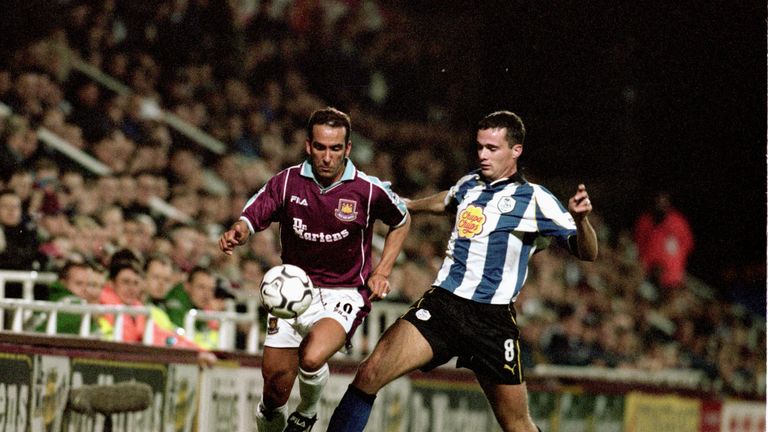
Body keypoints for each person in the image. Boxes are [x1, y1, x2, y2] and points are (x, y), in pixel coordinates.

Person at [326, 110, 598, 432]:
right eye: (480, 146)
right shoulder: (471, 183)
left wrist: (581, 221)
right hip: (444, 305)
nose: (482, 155)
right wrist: (411, 205)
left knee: (516, 424)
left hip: (492, 321)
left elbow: (588, 252)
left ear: (516, 150)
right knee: (370, 373)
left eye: (492, 149)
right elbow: (448, 200)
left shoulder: (536, 200)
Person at [219, 107, 410, 432]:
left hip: (345, 291)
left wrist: (382, 270)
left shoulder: (367, 189)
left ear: (347, 149)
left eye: (335, 148)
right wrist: (241, 228)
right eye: (320, 147)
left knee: (311, 357)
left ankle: (306, 412)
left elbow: (402, 219)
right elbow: (257, 210)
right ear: (309, 145)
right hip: (292, 291)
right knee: (274, 390)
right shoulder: (288, 182)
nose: (327, 156)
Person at [633, 191, 693, 292]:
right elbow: (639, 243)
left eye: (663, 202)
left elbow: (687, 244)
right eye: (658, 202)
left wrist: (672, 262)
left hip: (672, 275)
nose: (660, 205)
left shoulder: (678, 222)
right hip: (648, 272)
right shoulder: (645, 221)